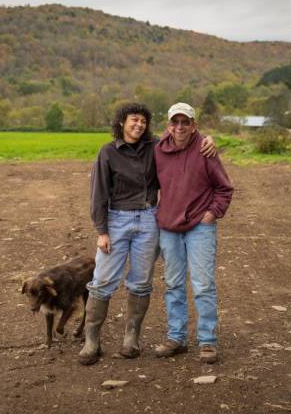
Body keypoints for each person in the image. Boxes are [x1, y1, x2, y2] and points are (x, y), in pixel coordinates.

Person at [79, 102, 216, 365]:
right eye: (133, 120)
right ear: (122, 122)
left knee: (141, 282)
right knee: (103, 279)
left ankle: (132, 338)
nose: (138, 125)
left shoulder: (156, 146)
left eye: (143, 121)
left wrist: (209, 139)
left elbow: (183, 136)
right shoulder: (107, 152)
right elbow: (98, 194)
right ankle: (91, 340)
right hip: (117, 219)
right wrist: (101, 231)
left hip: (149, 219)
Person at [153, 102, 233, 364]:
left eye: (185, 122)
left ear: (194, 125)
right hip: (168, 228)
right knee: (173, 284)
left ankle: (207, 341)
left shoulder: (205, 150)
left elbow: (224, 189)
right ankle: (177, 337)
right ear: (168, 125)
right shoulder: (158, 150)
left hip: (200, 226)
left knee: (203, 285)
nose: (179, 127)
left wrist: (211, 215)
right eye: (175, 122)